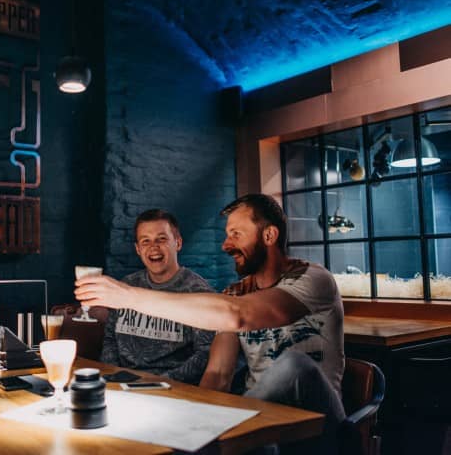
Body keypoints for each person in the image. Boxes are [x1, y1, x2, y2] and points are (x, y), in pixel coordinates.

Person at [76, 194, 345, 455]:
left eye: (236, 234)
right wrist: (195, 427)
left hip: (322, 426)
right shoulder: (235, 293)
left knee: (292, 364)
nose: (225, 245)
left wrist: (128, 297)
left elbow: (239, 316)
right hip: (265, 426)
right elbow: (218, 374)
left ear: (269, 236)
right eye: (227, 235)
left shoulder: (312, 279)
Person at [100, 209, 215, 384]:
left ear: (178, 243)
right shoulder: (126, 286)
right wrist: (116, 375)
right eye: (145, 241)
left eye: (161, 239)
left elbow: (205, 353)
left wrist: (158, 382)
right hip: (122, 384)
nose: (153, 247)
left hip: (171, 390)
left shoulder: (198, 292)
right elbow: (109, 339)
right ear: (138, 249)